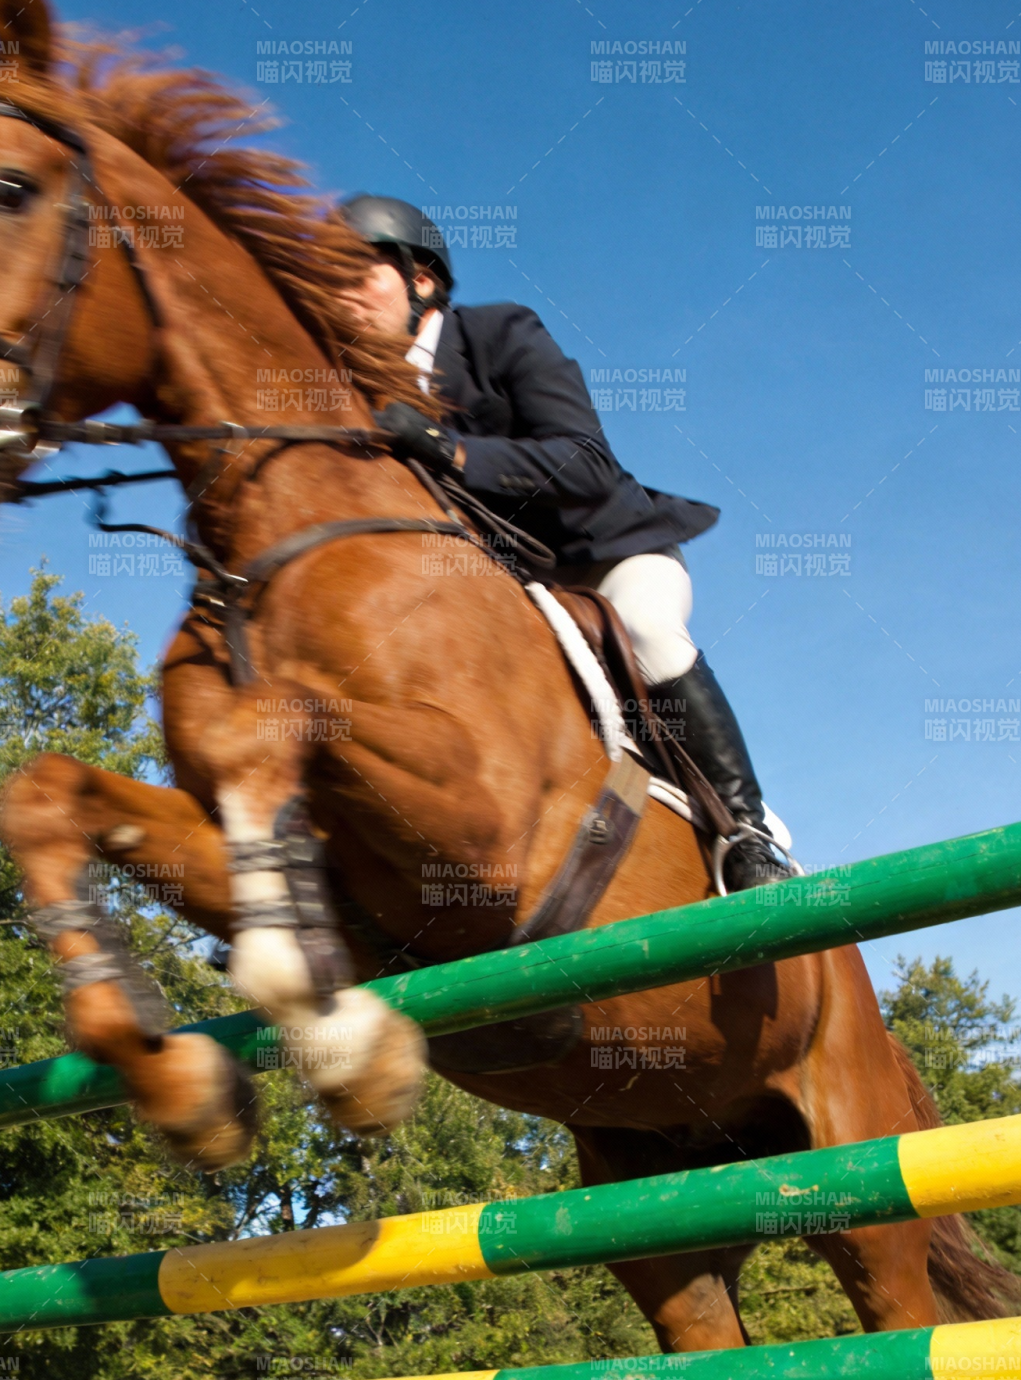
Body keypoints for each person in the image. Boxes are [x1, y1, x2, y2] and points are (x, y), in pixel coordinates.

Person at [338, 194, 792, 891]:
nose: (341, 299)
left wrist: (445, 448)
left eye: (357, 275)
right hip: (508, 594)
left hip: (608, 561)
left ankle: (747, 832)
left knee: (646, 631)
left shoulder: (499, 333)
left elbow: (584, 460)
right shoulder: (354, 396)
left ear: (420, 279)